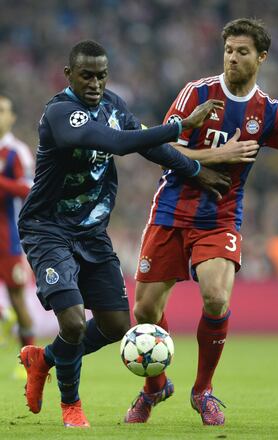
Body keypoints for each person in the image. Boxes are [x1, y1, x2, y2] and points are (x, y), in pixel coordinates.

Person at [125, 18, 278, 426]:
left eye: (242, 52)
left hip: (220, 217)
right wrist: (218, 156)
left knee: (216, 297)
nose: (232, 58)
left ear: (261, 57)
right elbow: (160, 144)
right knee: (143, 311)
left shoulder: (268, 112)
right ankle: (154, 388)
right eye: (228, 50)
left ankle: (202, 391)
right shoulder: (197, 93)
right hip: (170, 211)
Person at [16, 39, 252, 428]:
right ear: (69, 75)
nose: (94, 83)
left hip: (92, 233)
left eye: (101, 76)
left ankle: (42, 360)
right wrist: (180, 126)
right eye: (86, 75)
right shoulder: (60, 113)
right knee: (73, 322)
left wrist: (194, 170)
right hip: (49, 229)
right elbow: (116, 143)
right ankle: (71, 406)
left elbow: (151, 148)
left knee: (114, 326)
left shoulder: (113, 106)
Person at [0, 95, 35, 378]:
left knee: (18, 300)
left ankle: (28, 362)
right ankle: (3, 315)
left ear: (11, 118)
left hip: (8, 240)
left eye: (2, 111)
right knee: (11, 305)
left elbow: (29, 190)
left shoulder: (16, 152)